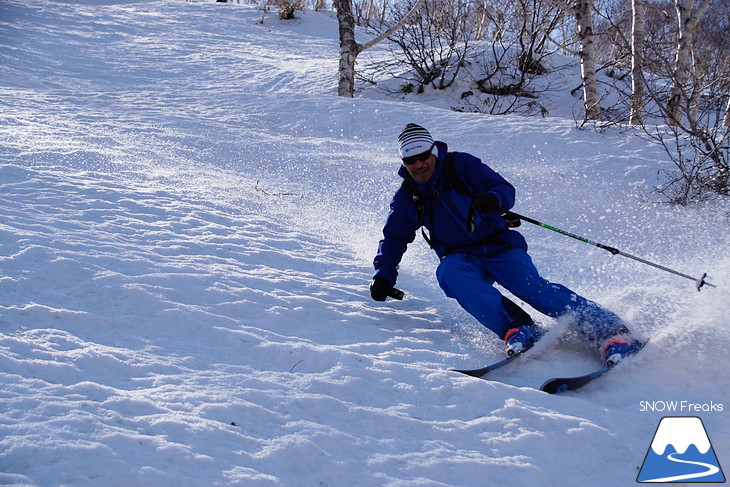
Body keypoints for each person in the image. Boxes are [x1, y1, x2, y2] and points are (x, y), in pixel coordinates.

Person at [370, 123, 642, 366]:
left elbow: (503, 188)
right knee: (450, 274)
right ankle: (518, 327)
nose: (418, 165)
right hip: (460, 256)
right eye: (410, 160)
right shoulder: (408, 195)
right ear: (403, 163)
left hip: (499, 245)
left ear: (433, 152)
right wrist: (384, 273)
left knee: (531, 288)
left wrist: (493, 198)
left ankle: (612, 333)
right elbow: (395, 237)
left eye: (422, 156)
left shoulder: (461, 165)